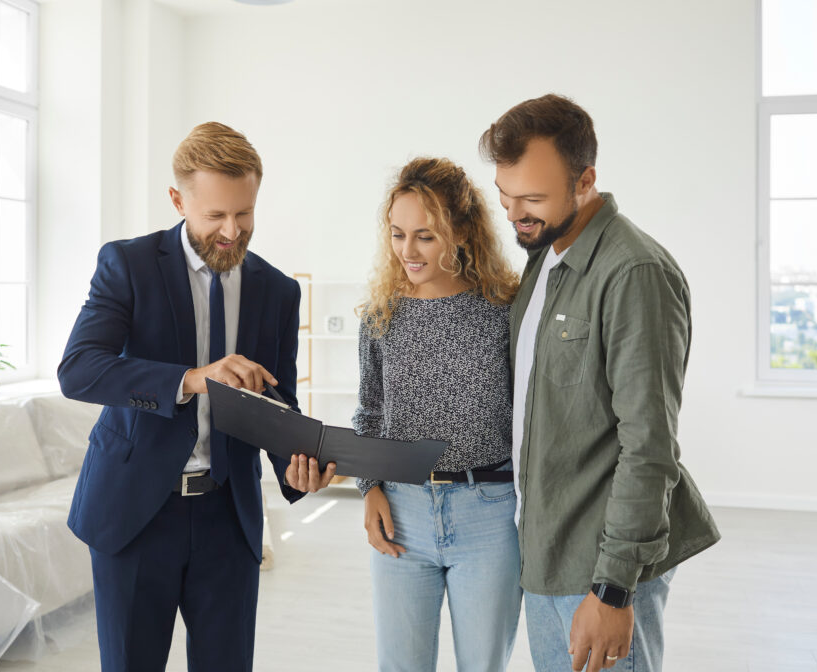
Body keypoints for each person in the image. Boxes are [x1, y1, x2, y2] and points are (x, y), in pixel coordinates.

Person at [58, 121, 336, 671]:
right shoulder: (127, 265)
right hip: (135, 514)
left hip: (227, 520)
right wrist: (191, 378)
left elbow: (277, 402)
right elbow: (80, 370)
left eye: (245, 213)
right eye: (215, 216)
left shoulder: (278, 291)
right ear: (177, 199)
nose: (232, 231)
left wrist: (296, 466)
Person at [479, 94, 721, 672]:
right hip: (544, 552)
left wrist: (614, 588)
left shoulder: (635, 273)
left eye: (533, 198)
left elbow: (650, 445)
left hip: (598, 570)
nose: (515, 215)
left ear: (585, 180)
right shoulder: (545, 259)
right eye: (506, 197)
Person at [352, 157, 522, 672]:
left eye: (425, 236)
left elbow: (528, 416)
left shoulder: (503, 310)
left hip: (489, 515)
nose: (407, 251)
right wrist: (369, 488)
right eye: (398, 234)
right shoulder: (381, 314)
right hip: (401, 513)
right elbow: (370, 410)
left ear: (464, 231)